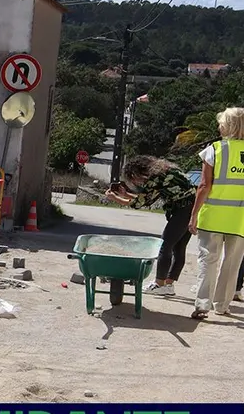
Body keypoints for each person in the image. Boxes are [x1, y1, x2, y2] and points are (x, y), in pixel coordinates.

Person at [104, 155, 196, 296]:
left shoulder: (154, 179)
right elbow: (147, 200)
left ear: (137, 173)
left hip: (182, 210)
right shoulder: (165, 172)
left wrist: (115, 198)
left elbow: (139, 204)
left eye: (133, 179)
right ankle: (168, 285)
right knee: (179, 247)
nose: (136, 183)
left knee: (165, 245)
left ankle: (159, 284)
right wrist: (126, 193)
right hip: (192, 208)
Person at [189, 107, 244, 319]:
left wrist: (194, 215)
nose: (219, 126)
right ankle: (222, 305)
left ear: (228, 125)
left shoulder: (215, 149)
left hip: (212, 216)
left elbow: (204, 185)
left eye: (221, 123)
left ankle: (203, 305)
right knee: (232, 263)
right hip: (239, 219)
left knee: (208, 260)